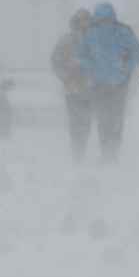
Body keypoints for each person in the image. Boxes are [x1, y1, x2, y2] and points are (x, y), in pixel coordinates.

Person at [79, 2, 139, 163]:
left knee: (109, 118)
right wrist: (124, 68)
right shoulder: (121, 32)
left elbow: (136, 53)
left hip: (109, 83)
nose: (105, 23)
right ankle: (110, 152)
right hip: (109, 83)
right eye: (103, 20)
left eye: (107, 20)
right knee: (109, 119)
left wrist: (93, 69)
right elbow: (136, 53)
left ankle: (110, 152)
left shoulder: (93, 33)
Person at [51, 9, 93, 162]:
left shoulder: (94, 40)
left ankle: (81, 149)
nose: (84, 23)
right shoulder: (66, 41)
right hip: (72, 88)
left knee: (86, 121)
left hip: (89, 88)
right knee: (75, 121)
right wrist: (65, 76)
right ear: (76, 22)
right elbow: (55, 61)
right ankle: (77, 151)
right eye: (82, 20)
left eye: (87, 20)